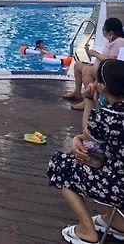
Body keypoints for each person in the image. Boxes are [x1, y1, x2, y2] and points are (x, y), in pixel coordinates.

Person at [47, 59, 124, 244]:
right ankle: (115, 221)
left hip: (119, 187)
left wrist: (89, 99)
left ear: (102, 87)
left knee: (59, 165)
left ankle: (87, 230)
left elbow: (87, 134)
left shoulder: (107, 117)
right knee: (110, 159)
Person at [64, 17, 124, 110]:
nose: (102, 32)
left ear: (111, 33)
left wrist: (95, 54)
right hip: (101, 67)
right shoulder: (112, 41)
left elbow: (112, 60)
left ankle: (89, 100)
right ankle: (77, 92)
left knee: (86, 70)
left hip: (108, 72)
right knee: (78, 65)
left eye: (103, 30)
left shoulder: (119, 41)